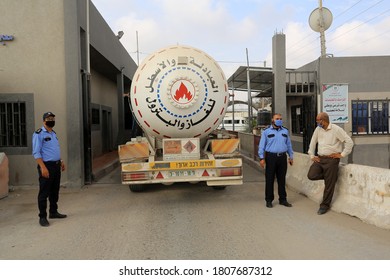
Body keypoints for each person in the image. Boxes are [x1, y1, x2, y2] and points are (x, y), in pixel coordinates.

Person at [307, 112, 354, 215]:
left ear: (323, 120)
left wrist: (342, 155)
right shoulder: (318, 129)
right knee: (311, 175)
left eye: (317, 120)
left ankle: (324, 206)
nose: (317, 122)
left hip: (332, 160)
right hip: (320, 159)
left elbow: (349, 141)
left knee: (329, 185)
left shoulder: (336, 129)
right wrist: (311, 155)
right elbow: (312, 142)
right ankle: (331, 178)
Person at [32, 112, 67, 227]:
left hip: (56, 165)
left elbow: (54, 150)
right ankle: (42, 217)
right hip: (46, 166)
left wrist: (61, 161)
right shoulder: (39, 134)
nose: (51, 120)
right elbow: (36, 153)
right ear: (44, 121)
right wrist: (43, 167)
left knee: (54, 190)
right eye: (48, 118)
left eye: (52, 118)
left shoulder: (53, 133)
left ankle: (53, 211)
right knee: (44, 192)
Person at [258, 113, 294, 208]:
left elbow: (289, 145)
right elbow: (262, 146)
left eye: (281, 119)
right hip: (271, 158)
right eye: (277, 118)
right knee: (269, 179)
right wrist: (262, 158)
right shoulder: (266, 132)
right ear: (272, 120)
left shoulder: (285, 131)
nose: (279, 120)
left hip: (282, 158)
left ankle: (283, 199)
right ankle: (269, 200)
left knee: (282, 180)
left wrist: (291, 156)